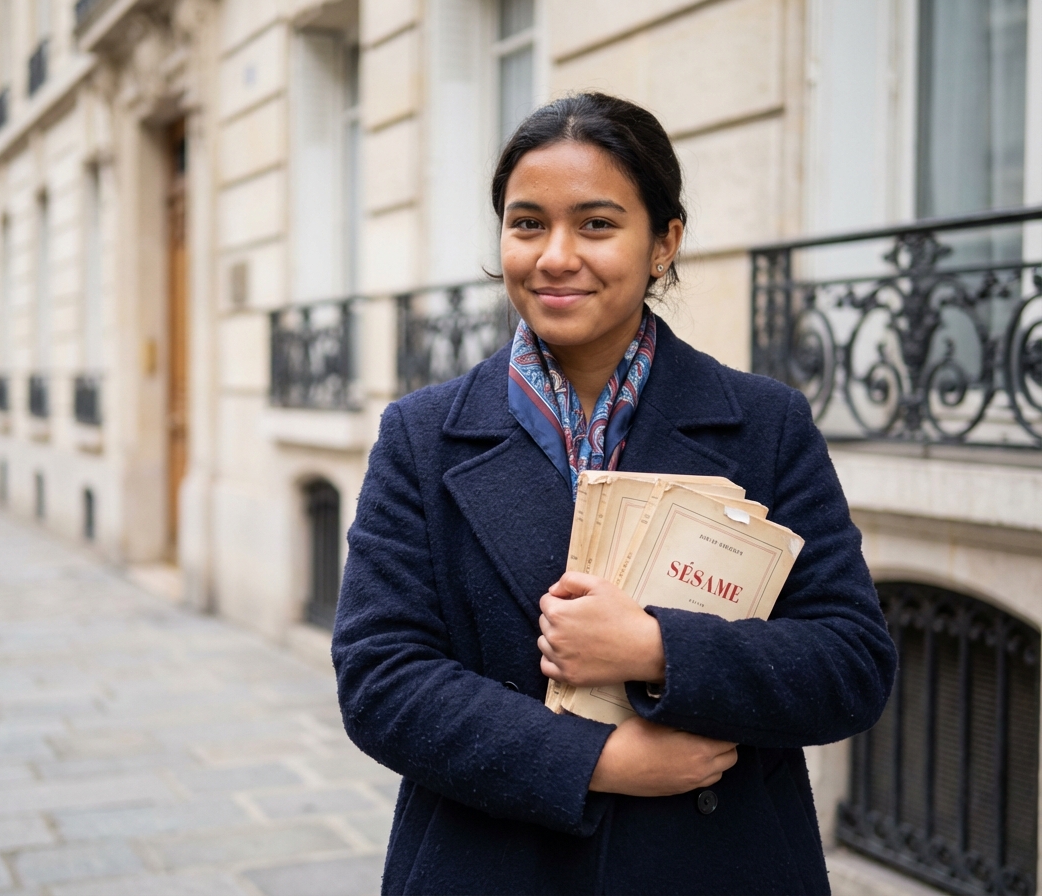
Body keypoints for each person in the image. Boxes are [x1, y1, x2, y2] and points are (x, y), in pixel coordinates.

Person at [332, 93, 897, 895]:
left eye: (596, 224)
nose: (555, 255)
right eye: (527, 224)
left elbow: (852, 665)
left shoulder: (766, 424)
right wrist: (592, 761)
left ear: (664, 242)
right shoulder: (423, 436)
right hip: (490, 862)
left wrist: (657, 650)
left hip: (719, 864)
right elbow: (380, 678)